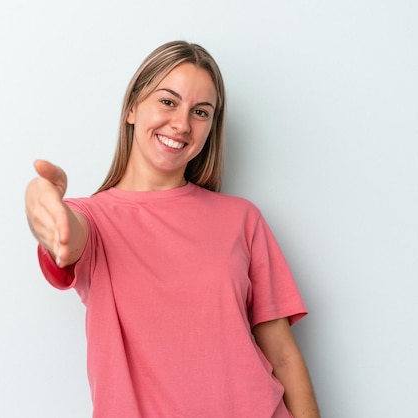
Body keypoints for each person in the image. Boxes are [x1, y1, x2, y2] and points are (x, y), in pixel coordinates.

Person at [25, 40, 320, 418]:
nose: (182, 124)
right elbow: (64, 232)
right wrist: (42, 203)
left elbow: (282, 354)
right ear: (132, 107)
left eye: (200, 112)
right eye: (168, 101)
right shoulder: (93, 220)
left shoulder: (242, 219)